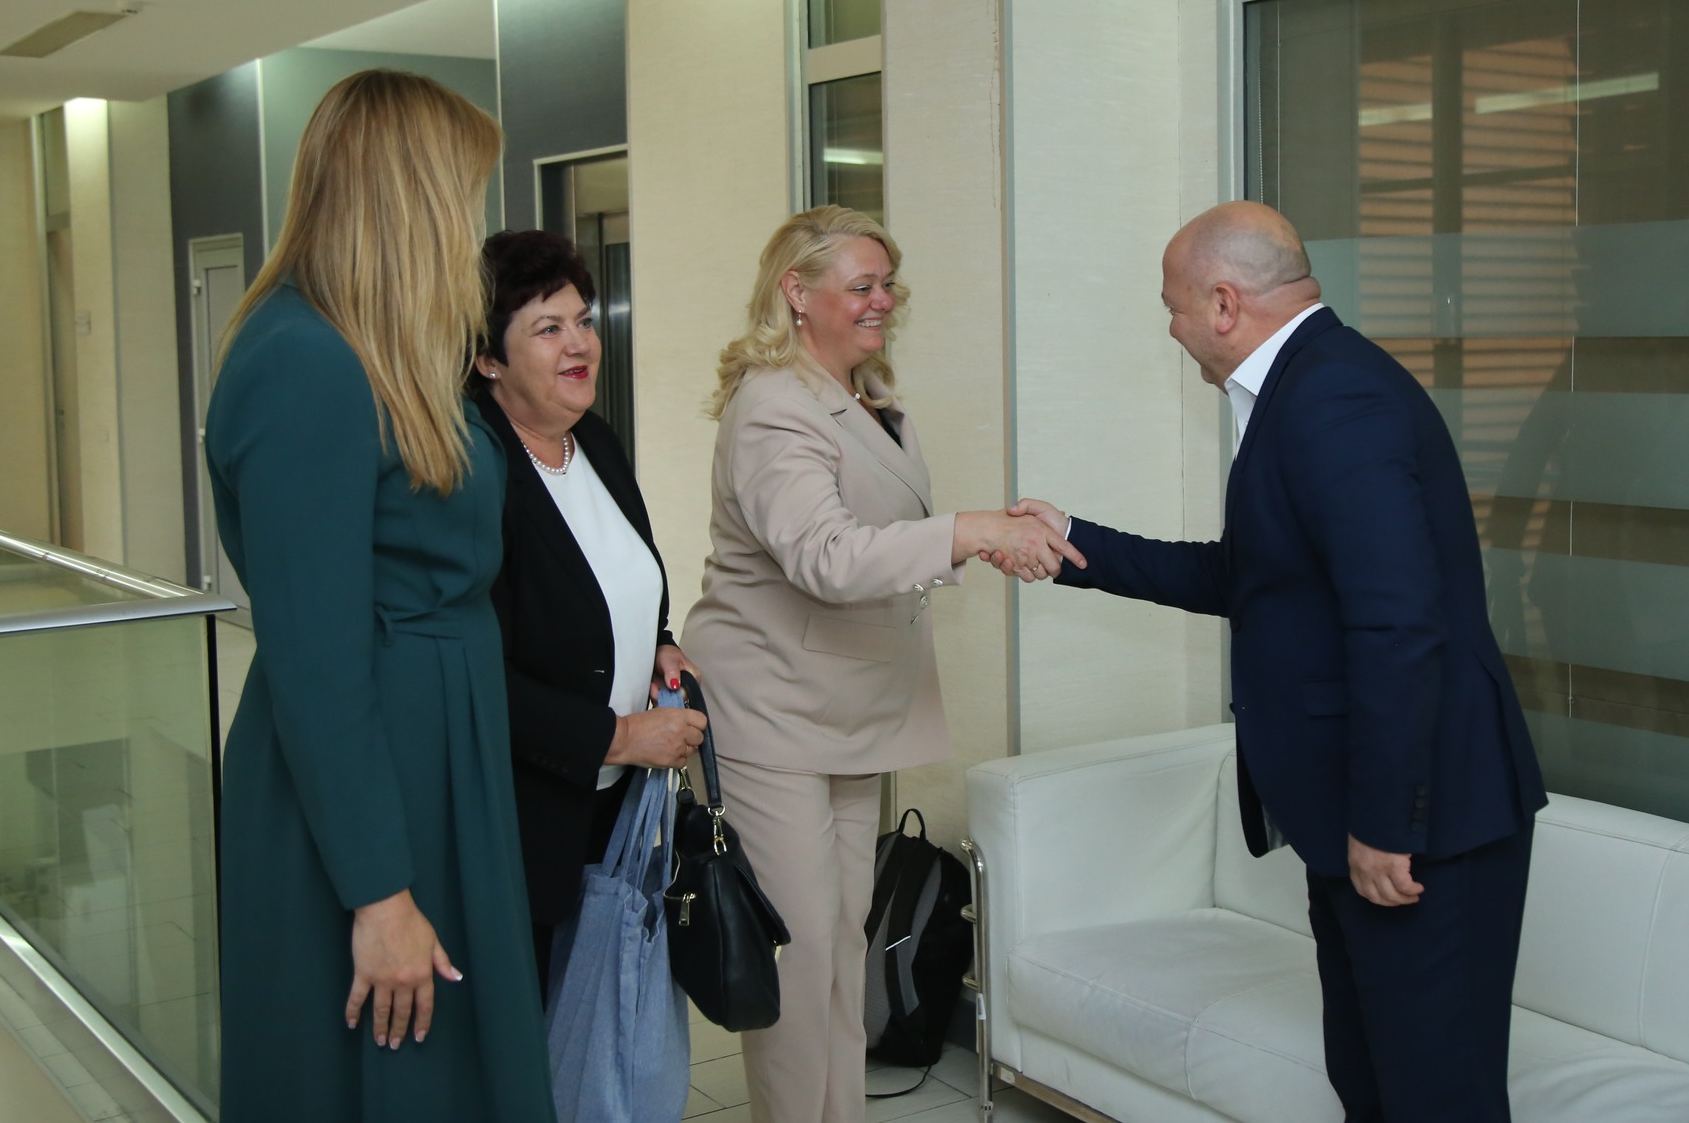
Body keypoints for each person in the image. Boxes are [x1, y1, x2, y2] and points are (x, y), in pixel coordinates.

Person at [1005, 201, 1546, 1123]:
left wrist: (1385, 821)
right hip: (1363, 813)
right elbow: (1251, 576)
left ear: (1224, 303)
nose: (1169, 328)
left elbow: (1397, 623)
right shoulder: (1306, 387)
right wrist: (1074, 543)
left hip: (1422, 822)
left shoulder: (1334, 397)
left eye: (1172, 305)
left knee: (1435, 1097)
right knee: (1371, 1082)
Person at [680, 206, 1081, 1123]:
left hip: (850, 705)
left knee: (841, 944)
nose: (882, 301)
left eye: (887, 283)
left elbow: (879, 536)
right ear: (796, 291)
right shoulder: (774, 405)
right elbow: (825, 554)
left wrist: (979, 538)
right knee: (800, 952)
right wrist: (968, 532)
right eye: (861, 285)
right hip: (773, 710)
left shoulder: (866, 397)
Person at [206, 70, 555, 1121]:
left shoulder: (379, 353)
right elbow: (315, 658)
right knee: (377, 1074)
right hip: (369, 787)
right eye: (464, 194)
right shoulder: (303, 361)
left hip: (434, 757)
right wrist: (379, 891)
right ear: (409, 198)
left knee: (450, 1070)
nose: (470, 225)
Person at [469, 229, 707, 1003]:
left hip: (613, 805)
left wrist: (659, 644)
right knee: (531, 1021)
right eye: (548, 328)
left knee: (596, 1026)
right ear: (488, 358)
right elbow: (476, 673)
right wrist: (620, 735)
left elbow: (621, 584)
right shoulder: (475, 474)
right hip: (525, 814)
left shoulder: (595, 442)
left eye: (583, 320)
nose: (580, 344)